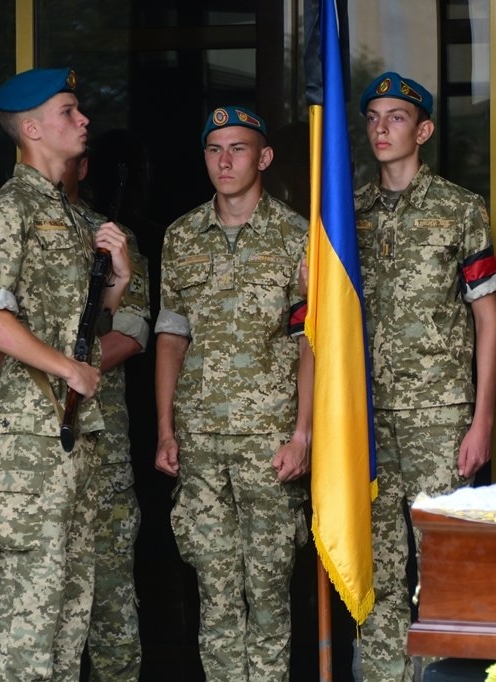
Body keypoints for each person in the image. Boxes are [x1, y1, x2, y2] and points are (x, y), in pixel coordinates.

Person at [0, 67, 132, 680]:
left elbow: (82, 324)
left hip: (75, 436)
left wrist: (119, 281)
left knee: (68, 616)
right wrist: (67, 370)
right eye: (68, 111)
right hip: (30, 443)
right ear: (32, 130)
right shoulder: (13, 208)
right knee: (29, 623)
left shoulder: (70, 215)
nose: (83, 120)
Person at [353, 71, 496, 682]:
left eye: (396, 117)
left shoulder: (459, 209)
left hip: (440, 417)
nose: (382, 128)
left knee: (444, 568)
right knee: (378, 573)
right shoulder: (348, 213)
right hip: (365, 417)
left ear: (423, 130)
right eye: (373, 117)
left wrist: (482, 420)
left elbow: (488, 319)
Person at [154, 105, 312, 681]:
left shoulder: (298, 236)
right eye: (214, 149)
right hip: (199, 441)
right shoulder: (181, 236)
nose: (224, 161)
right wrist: (165, 429)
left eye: (238, 148)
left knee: (269, 594)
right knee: (215, 594)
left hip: (269, 441)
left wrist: (303, 434)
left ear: (264, 158)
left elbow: (311, 343)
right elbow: (171, 337)